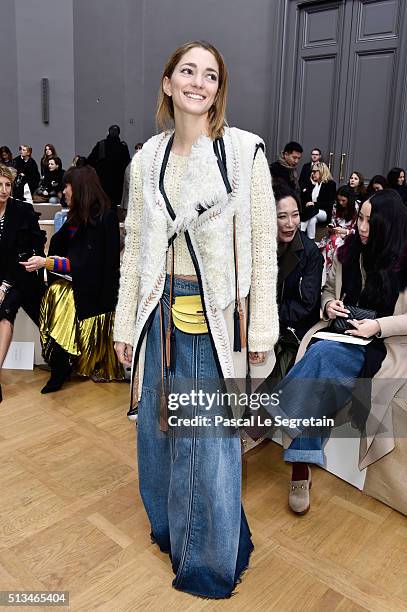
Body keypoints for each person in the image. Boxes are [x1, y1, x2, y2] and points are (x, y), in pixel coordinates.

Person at [113, 40, 278, 599]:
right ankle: (170, 530)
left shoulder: (244, 152)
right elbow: (135, 246)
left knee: (209, 443)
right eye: (188, 71)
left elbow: (261, 247)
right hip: (159, 313)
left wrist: (261, 331)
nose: (198, 82)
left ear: (218, 89)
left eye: (210, 75)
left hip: (216, 319)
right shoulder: (147, 159)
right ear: (168, 82)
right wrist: (122, 325)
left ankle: (208, 559)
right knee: (157, 437)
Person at [265, 189, 407, 515]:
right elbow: (328, 288)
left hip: (383, 343)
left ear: (390, 224)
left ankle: (279, 431)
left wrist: (378, 326)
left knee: (322, 358)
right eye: (362, 217)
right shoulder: (349, 250)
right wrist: (329, 304)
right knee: (322, 361)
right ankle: (301, 460)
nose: (363, 226)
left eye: (372, 221)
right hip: (344, 332)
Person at [21, 166, 123, 393]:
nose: (63, 191)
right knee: (43, 292)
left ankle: (59, 366)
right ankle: (59, 362)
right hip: (78, 285)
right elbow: (67, 253)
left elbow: (86, 264)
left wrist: (46, 262)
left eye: (66, 186)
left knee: (58, 296)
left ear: (78, 188)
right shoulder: (75, 217)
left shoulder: (104, 216)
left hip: (95, 295)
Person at [0, 165, 46, 402]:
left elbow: (30, 248)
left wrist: (5, 285)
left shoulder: (22, 210)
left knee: (5, 310)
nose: (4, 190)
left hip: (19, 276)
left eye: (7, 185)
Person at [270, 184, 323, 380]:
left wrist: (268, 314)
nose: (291, 223)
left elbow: (306, 304)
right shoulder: (256, 249)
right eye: (282, 216)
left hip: (292, 332)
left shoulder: (310, 253)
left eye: (295, 215)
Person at [87, 125, 130, 208]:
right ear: (119, 134)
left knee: (102, 206)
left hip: (103, 182)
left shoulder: (101, 145)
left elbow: (90, 161)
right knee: (115, 207)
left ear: (108, 132)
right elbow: (127, 163)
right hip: (118, 183)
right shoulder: (123, 146)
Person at [318, 185, 358, 273]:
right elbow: (333, 221)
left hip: (350, 237)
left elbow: (358, 230)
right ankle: (329, 272)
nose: (340, 203)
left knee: (334, 242)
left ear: (349, 199)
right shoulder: (336, 206)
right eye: (339, 200)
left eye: (343, 200)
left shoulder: (357, 208)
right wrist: (331, 227)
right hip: (335, 234)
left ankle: (332, 272)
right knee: (330, 241)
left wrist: (346, 231)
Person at [300, 161, 336, 239]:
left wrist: (314, 204)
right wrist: (311, 185)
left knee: (311, 210)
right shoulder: (314, 184)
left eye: (315, 171)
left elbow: (329, 203)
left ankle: (300, 232)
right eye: (312, 171)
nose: (312, 173)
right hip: (313, 212)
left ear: (322, 171)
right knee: (312, 219)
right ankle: (311, 240)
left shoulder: (330, 184)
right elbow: (305, 199)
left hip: (324, 212)